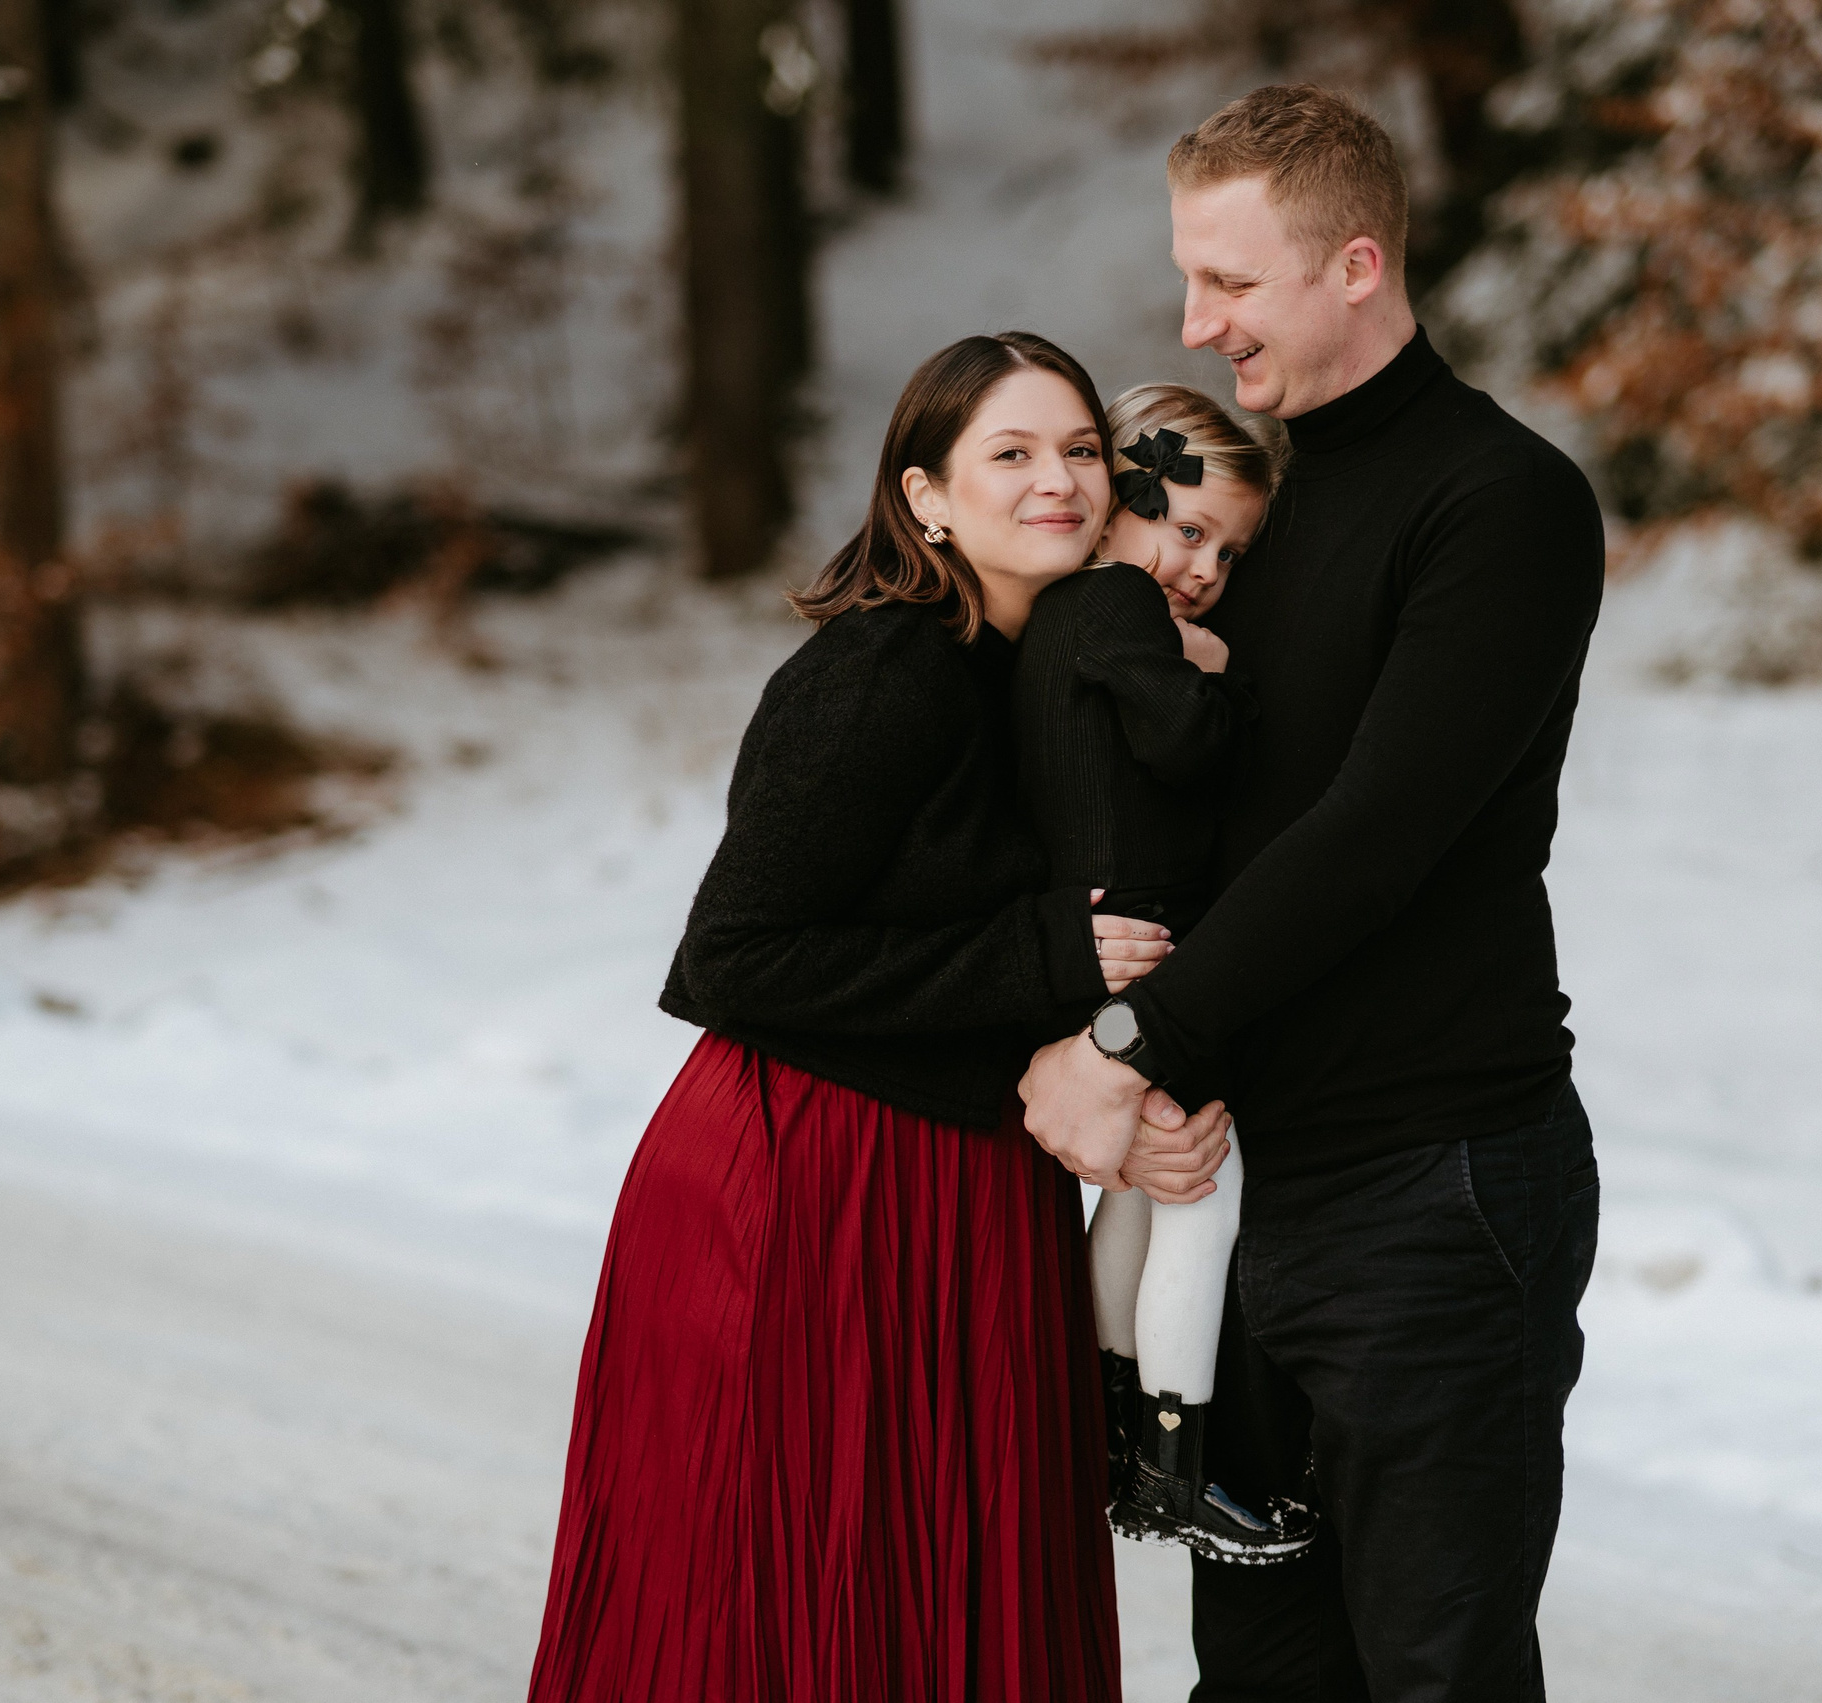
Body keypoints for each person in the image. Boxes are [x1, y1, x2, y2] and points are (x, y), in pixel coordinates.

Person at [1020, 85, 1608, 1702]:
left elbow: (1373, 834)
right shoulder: (1248, 520)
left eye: (1233, 282)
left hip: (1434, 1189)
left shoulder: (1500, 506)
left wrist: (1132, 1039)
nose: (1199, 324)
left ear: (1357, 264)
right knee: (1262, 1676)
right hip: (1248, 1185)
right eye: (1189, 280)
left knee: (1433, 1669)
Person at [526, 331, 1196, 1703]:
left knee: (947, 1589)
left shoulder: (1047, 670)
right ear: (925, 497)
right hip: (810, 1182)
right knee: (783, 1596)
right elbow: (734, 956)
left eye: (1078, 448)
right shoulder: (881, 674)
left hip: (964, 1182)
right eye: (1008, 452)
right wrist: (1034, 955)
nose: (1057, 479)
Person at [1008, 382, 1311, 1562]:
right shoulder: (1120, 604)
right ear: (1120, 500)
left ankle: (1111, 1431)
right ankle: (1181, 1467)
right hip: (1139, 948)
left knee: (1137, 1189)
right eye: (1186, 528)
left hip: (1099, 942)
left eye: (1227, 553)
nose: (1200, 567)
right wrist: (1223, 675)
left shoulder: (1059, 615)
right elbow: (1183, 743)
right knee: (1202, 1189)